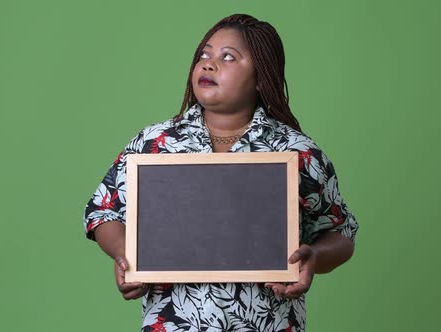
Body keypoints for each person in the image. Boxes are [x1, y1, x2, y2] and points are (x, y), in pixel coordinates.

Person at [83, 14, 358, 332]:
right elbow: (103, 211)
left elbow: (342, 232)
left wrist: (313, 257)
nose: (209, 64)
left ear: (260, 77)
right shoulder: (154, 144)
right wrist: (126, 256)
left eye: (228, 57)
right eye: (204, 54)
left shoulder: (297, 152)